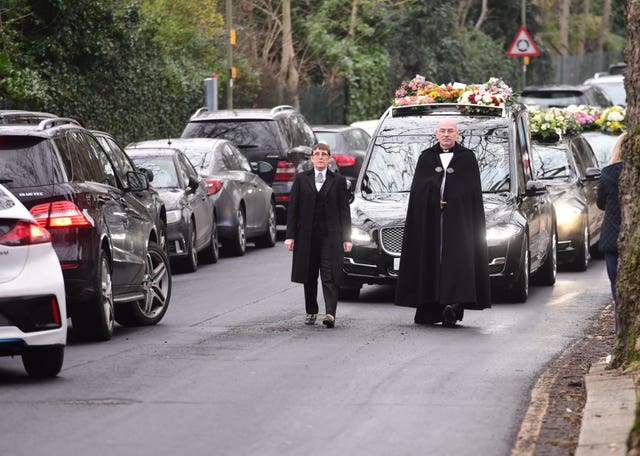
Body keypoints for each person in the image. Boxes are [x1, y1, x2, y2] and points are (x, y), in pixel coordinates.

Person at [394, 118, 491, 326]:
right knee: (430, 259)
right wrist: (433, 199)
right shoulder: (426, 158)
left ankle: (453, 306)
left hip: (458, 222)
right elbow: (419, 191)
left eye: (450, 131)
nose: (446, 135)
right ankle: (430, 307)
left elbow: (470, 192)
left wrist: (453, 200)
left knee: (457, 261)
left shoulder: (467, 158)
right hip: (431, 221)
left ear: (457, 134)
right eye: (442, 131)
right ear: (436, 134)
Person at [285, 143, 352, 328]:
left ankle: (330, 313)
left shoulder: (338, 181)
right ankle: (311, 311)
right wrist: (290, 236)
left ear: (329, 158)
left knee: (329, 275)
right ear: (312, 158)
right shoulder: (301, 179)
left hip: (330, 237)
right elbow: (293, 209)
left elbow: (344, 211)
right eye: (317, 154)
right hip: (307, 237)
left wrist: (347, 238)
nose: (320, 157)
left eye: (324, 154)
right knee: (309, 275)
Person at [597, 132, 624, 311]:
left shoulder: (607, 174)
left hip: (612, 238)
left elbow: (600, 204)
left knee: (618, 295)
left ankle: (620, 334)